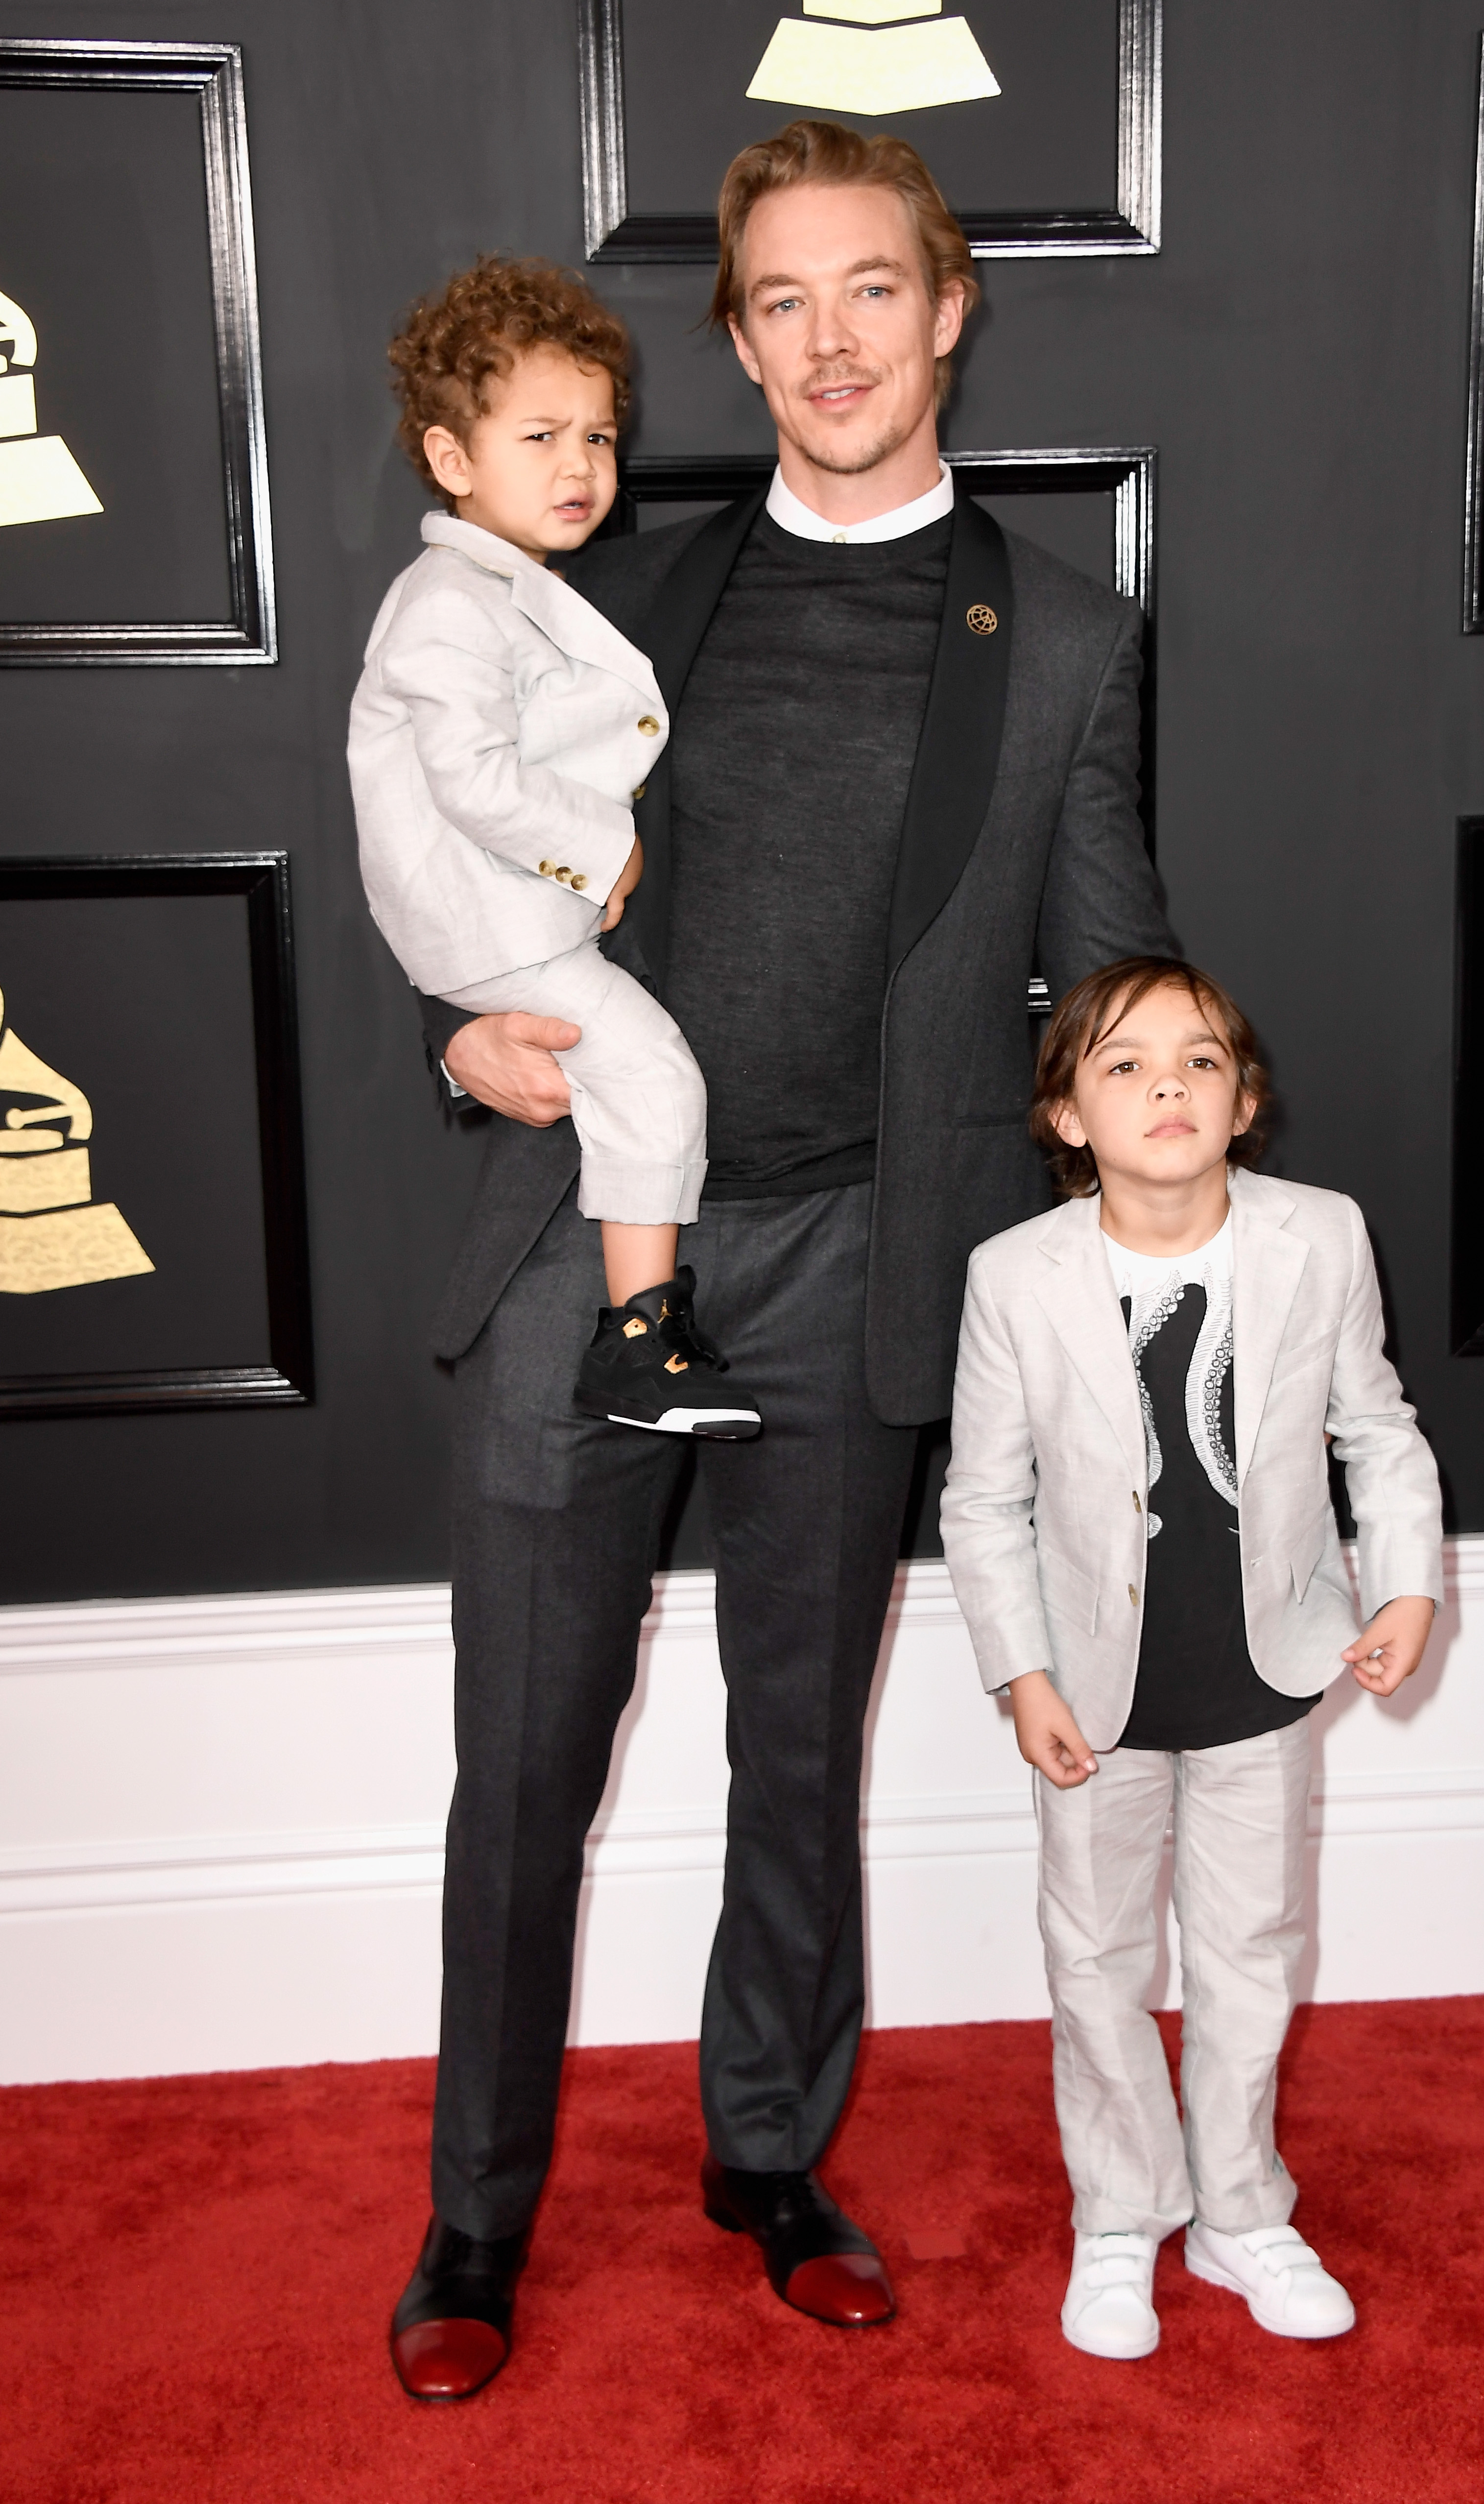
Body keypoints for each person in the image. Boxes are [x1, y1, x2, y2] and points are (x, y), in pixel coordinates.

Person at [389, 121, 1176, 2401]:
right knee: (521, 1757)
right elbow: (431, 832)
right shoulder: (592, 591)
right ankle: (474, 2210)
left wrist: (1156, 1260)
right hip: (578, 1239)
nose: (826, 338)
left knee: (788, 1754)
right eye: (777, 304)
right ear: (735, 342)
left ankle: (765, 2155)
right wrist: (463, 1040)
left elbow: (1110, 979)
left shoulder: (1074, 646)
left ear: (945, 313)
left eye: (869, 290)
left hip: (866, 1252)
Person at [940, 956, 1444, 2361]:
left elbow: (1377, 1431)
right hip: (1091, 1692)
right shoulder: (1015, 1279)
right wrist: (1020, 1673)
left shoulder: (1319, 1238)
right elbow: (984, 1501)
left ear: (1246, 1100)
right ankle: (1120, 2214)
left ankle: (1237, 2209)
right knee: (1097, 1956)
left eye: (1199, 1061)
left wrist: (1404, 1584)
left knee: (1249, 1954)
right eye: (1124, 1065)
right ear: (1066, 1119)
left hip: (1264, 1670)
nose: (1168, 1084)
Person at [348, 256, 758, 1436]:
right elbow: (473, 778)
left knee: (647, 1080)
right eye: (540, 437)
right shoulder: (447, 603)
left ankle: (644, 1329)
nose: (580, 467)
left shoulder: (507, 586)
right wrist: (605, 851)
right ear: (451, 459)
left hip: (519, 920)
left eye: (599, 436)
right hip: (495, 936)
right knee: (656, 1077)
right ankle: (642, 1335)